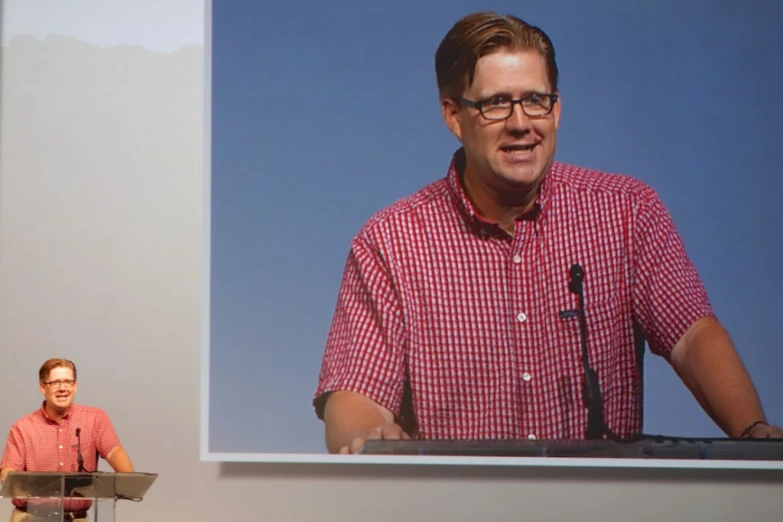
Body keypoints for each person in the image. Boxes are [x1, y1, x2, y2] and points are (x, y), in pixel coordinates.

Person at [312, 11, 783, 454]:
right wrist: (370, 441)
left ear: (556, 110)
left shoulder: (627, 212)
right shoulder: (391, 241)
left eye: (535, 100)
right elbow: (355, 394)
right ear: (454, 115)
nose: (521, 124)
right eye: (497, 104)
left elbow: (692, 335)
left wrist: (753, 434)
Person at [0, 358, 134, 521]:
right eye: (55, 383)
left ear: (75, 385)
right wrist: (10, 478)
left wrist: (130, 480)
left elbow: (113, 451)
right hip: (30, 516)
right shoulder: (23, 427)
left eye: (68, 382)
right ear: (43, 387)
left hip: (75, 517)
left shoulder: (95, 419)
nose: (63, 388)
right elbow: (9, 470)